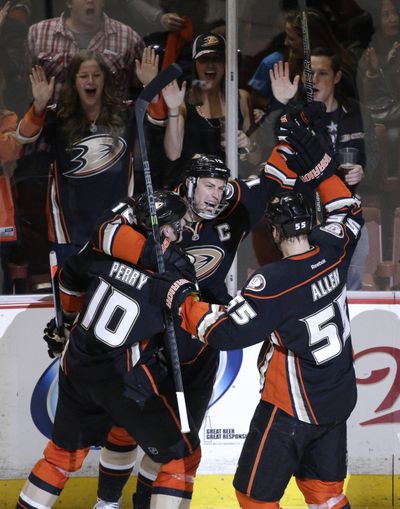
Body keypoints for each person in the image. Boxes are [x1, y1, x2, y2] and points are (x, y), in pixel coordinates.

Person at [149, 112, 363, 509]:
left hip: (292, 407)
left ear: (276, 232)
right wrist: (318, 162)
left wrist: (180, 298)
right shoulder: (335, 249)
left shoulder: (275, 282)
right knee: (327, 495)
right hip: (336, 399)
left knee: (253, 496)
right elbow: (346, 208)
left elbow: (226, 333)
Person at [89, 151, 299, 508]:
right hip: (151, 335)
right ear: (188, 185)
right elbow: (103, 232)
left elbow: (279, 175)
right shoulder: (158, 207)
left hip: (200, 343)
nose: (216, 195)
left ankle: (143, 499)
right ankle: (107, 502)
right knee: (126, 426)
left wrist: (296, 133)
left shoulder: (236, 207)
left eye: (220, 187)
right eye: (208, 186)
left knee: (179, 436)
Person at [16, 189, 202, 509]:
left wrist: (66, 324)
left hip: (76, 366)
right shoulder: (174, 268)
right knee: (181, 457)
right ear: (160, 230)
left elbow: (68, 280)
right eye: (175, 226)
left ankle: (106, 504)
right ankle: (107, 502)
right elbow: (187, 326)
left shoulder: (103, 251)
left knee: (61, 458)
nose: (181, 232)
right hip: (121, 377)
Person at [261, 49, 378, 290]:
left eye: (322, 73)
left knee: (352, 278)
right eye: (309, 73)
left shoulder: (356, 112)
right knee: (307, 286)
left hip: (347, 210)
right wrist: (282, 103)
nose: (314, 79)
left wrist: (363, 169)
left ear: (336, 77)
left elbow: (377, 159)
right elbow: (267, 144)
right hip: (304, 211)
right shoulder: (295, 113)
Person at [15, 51, 138, 266]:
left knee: (114, 298)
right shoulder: (58, 115)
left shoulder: (125, 113)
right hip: (69, 231)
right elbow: (23, 137)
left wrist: (153, 88)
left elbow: (159, 120)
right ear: (74, 82)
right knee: (71, 298)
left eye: (96, 75)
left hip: (118, 227)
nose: (90, 81)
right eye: (83, 76)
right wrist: (39, 105)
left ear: (105, 80)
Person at [161, 33, 259, 186]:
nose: (210, 65)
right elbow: (173, 154)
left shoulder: (241, 98)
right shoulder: (183, 102)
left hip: (230, 185)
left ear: (227, 63)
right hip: (193, 187)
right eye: (204, 59)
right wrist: (173, 109)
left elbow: (256, 158)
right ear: (195, 64)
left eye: (217, 58)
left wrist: (247, 144)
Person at [26, 0, 144, 101]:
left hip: (109, 123)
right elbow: (23, 84)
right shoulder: (38, 33)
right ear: (68, 2)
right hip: (53, 122)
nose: (90, 1)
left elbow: (140, 89)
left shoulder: (128, 38)